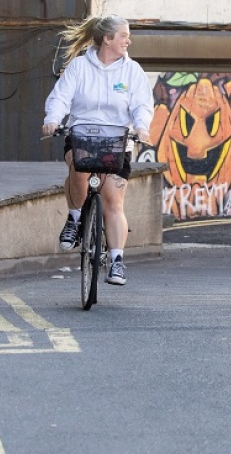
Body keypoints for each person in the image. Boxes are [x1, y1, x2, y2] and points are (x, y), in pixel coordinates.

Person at [42, 15, 154, 286]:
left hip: (117, 141)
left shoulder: (132, 71)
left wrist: (142, 127)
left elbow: (142, 104)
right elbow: (61, 96)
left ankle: (116, 261)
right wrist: (52, 119)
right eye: (124, 35)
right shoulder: (80, 67)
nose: (129, 40)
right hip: (81, 135)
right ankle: (75, 217)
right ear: (108, 39)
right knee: (78, 168)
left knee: (114, 201)